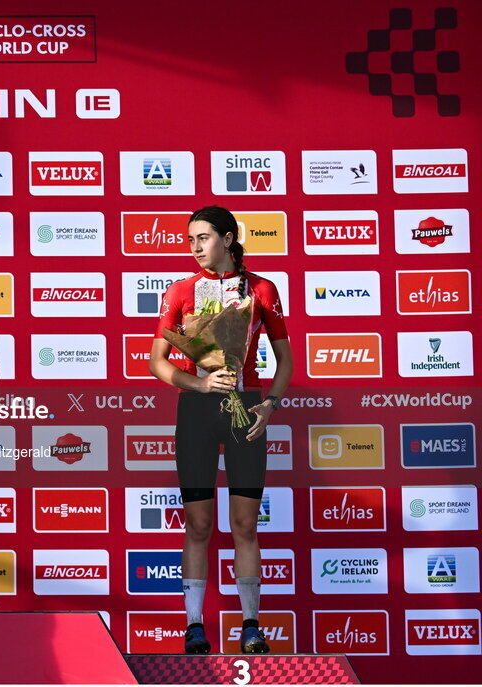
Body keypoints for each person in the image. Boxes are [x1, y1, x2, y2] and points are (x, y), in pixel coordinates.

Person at [148, 205, 293, 655]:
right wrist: (201, 382)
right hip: (196, 410)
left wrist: (269, 405)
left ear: (228, 240)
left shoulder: (262, 289)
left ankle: (252, 625)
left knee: (245, 524)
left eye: (204, 237)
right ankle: (194, 625)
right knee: (198, 522)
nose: (194, 246)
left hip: (245, 410)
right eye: (190, 238)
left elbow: (285, 359)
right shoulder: (179, 291)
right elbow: (157, 362)